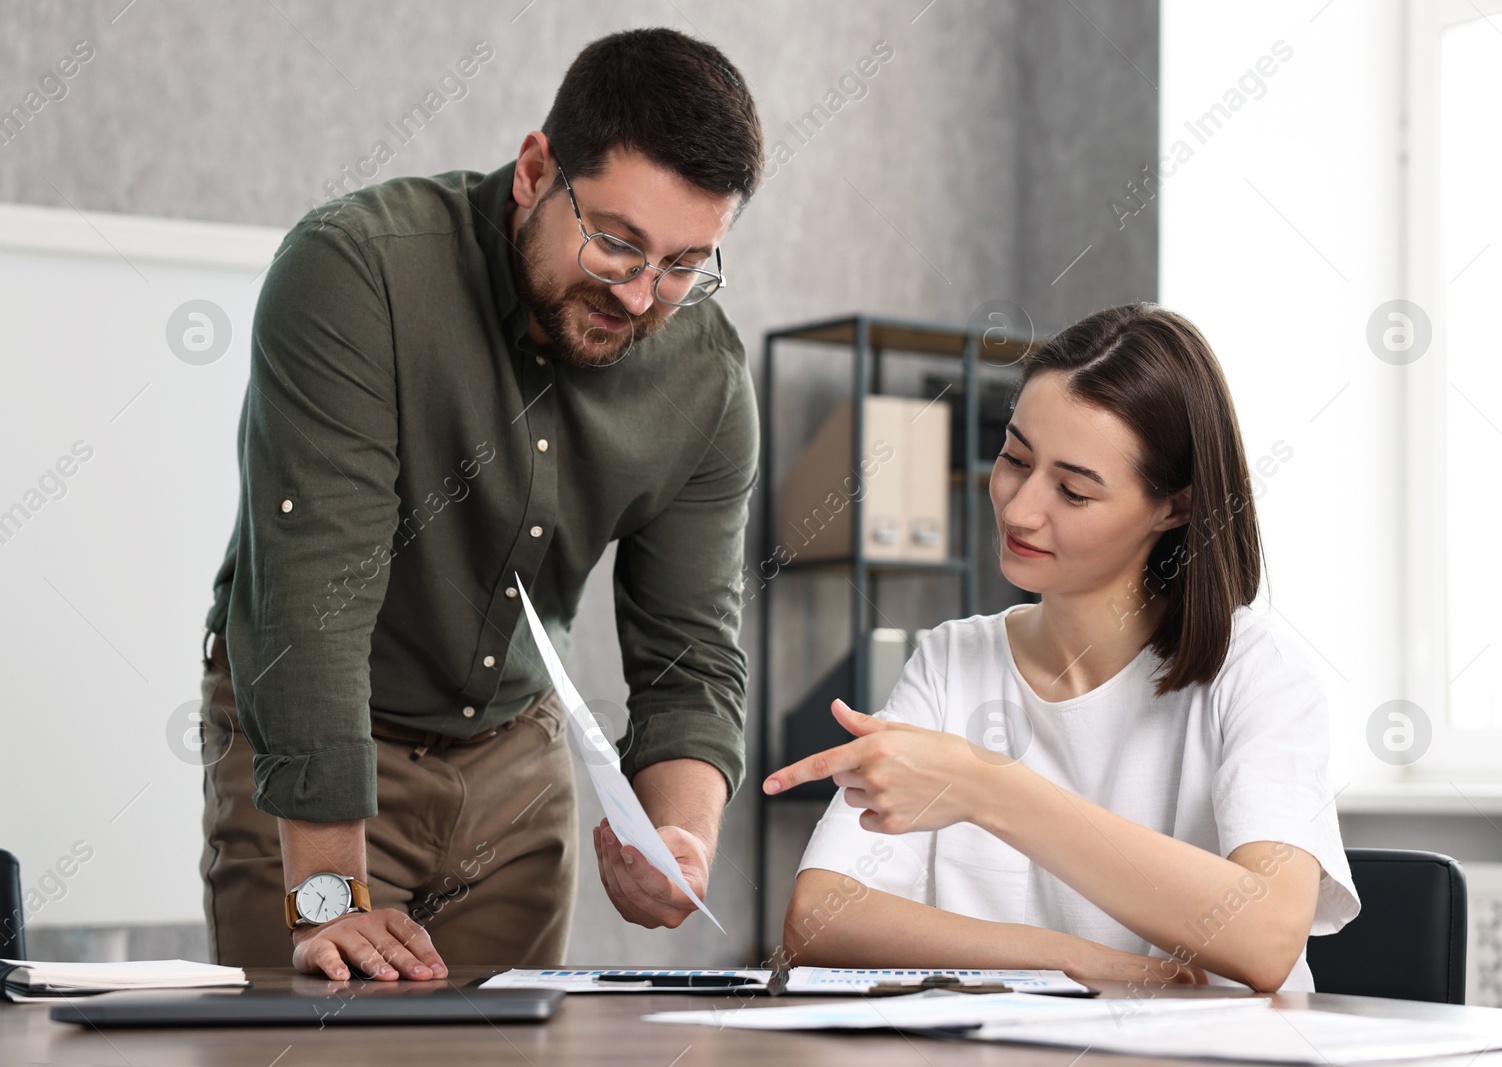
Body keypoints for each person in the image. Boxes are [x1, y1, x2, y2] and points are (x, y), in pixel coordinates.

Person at [199, 27, 764, 982]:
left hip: (513, 765)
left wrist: (678, 832)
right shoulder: (356, 273)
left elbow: (691, 654)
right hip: (317, 751)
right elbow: (313, 600)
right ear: (534, 168)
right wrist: (326, 895)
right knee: (314, 1044)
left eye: (683, 264)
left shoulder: (706, 380)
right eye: (616, 243)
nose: (639, 297)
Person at [765, 302, 1360, 993]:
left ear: (1177, 506)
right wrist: (1073, 958)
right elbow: (818, 921)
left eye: (1073, 491)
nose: (1019, 509)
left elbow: (1268, 939)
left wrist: (985, 787)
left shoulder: (1257, 673)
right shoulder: (952, 661)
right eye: (1015, 458)